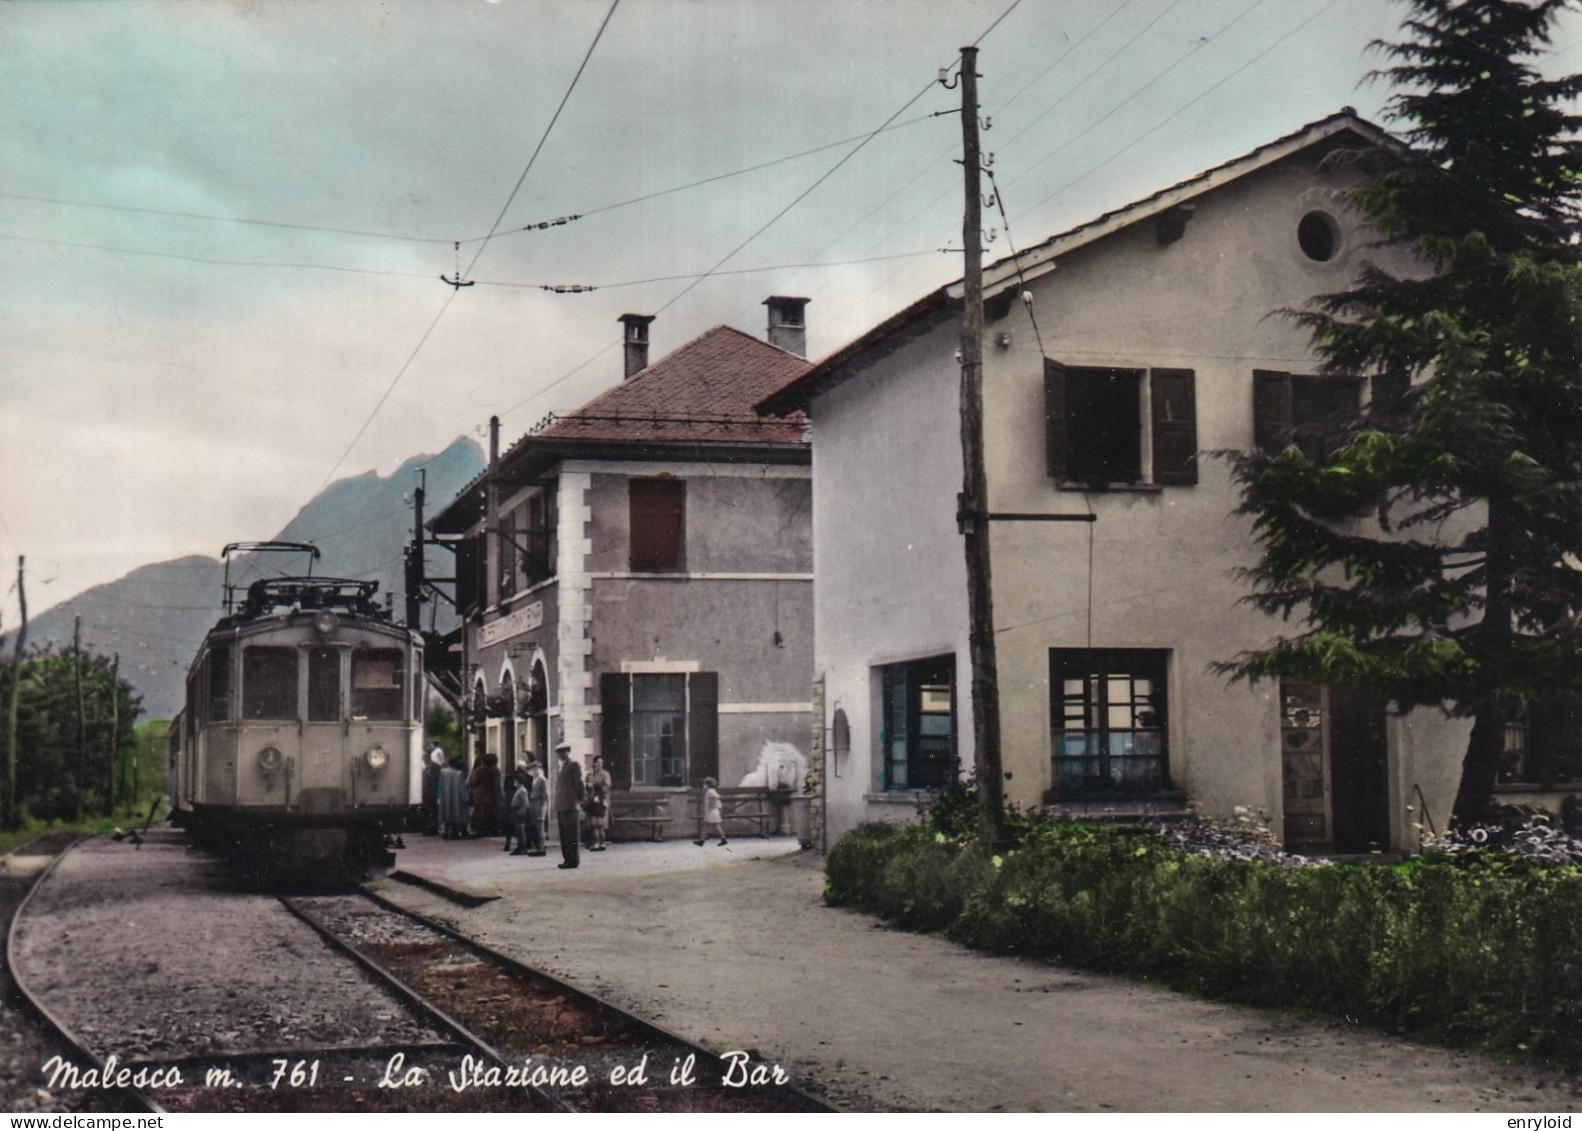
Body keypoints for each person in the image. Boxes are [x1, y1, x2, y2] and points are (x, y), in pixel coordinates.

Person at [554, 744, 584, 869]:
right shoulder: (562, 767)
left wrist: (579, 800)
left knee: (571, 835)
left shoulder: (573, 765)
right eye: (559, 754)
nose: (561, 756)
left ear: (568, 752)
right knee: (564, 835)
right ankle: (567, 859)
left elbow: (579, 784)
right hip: (562, 806)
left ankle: (573, 860)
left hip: (570, 805)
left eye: (563, 753)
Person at [468, 752, 501, 838]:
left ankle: (481, 830)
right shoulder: (496, 771)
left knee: (480, 813)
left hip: (480, 794)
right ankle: (492, 829)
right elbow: (497, 784)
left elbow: (473, 782)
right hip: (492, 794)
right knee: (492, 812)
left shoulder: (479, 770)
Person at [585, 754, 612, 851]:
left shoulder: (605, 774)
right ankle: (596, 842)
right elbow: (587, 785)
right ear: (594, 763)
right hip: (592, 800)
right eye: (598, 762)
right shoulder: (590, 774)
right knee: (593, 824)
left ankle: (602, 843)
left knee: (600, 824)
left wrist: (596, 786)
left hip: (601, 801)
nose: (600, 764)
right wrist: (588, 786)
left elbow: (607, 787)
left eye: (601, 763)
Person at [437, 756, 468, 840]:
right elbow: (462, 788)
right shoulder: (459, 774)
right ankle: (455, 833)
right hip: (456, 797)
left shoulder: (443, 772)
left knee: (447, 813)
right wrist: (465, 797)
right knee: (456, 814)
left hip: (445, 797)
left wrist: (439, 796)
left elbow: (440, 785)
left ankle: (446, 832)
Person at [694, 776, 726, 847]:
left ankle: (702, 840)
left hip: (711, 812)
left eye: (705, 784)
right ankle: (722, 839)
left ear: (708, 785)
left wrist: (712, 804)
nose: (703, 786)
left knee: (708, 826)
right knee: (713, 825)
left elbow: (716, 797)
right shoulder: (711, 791)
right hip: (712, 811)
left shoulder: (710, 791)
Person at [420, 746, 444, 836]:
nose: (423, 757)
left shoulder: (434, 766)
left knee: (432, 810)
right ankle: (428, 827)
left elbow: (438, 778)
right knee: (426, 809)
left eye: (424, 755)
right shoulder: (426, 766)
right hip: (425, 791)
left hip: (432, 791)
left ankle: (432, 827)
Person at [525, 761, 548, 856]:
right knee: (535, 828)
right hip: (533, 805)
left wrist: (543, 808)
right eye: (533, 769)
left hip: (539, 805)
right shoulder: (534, 780)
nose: (534, 771)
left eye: (536, 769)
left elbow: (545, 795)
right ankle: (537, 847)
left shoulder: (542, 780)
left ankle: (541, 848)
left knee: (540, 828)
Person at [508, 772, 531, 856]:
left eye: (516, 781)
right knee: (518, 830)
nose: (514, 783)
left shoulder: (522, 791)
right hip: (516, 810)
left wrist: (519, 812)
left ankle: (522, 847)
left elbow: (526, 804)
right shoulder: (519, 790)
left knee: (520, 831)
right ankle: (520, 846)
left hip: (519, 812)